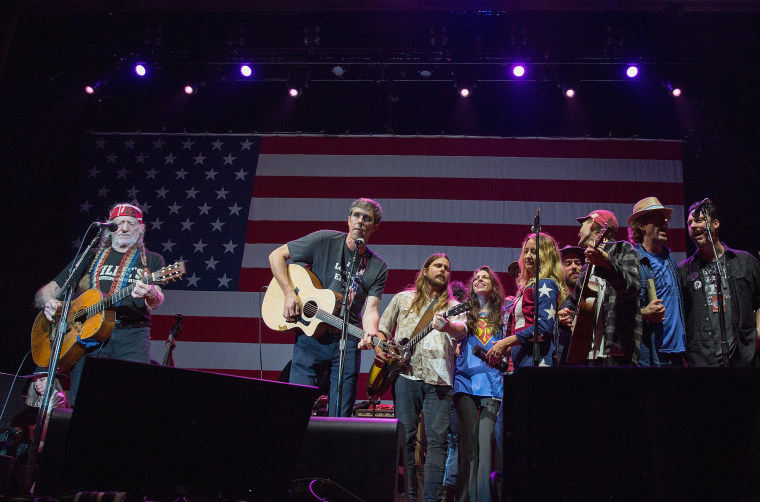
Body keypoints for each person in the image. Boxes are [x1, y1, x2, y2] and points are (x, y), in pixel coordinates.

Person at [359, 253, 466, 502]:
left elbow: (461, 330)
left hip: (439, 380)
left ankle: (430, 499)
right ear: (425, 270)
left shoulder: (452, 307)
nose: (443, 270)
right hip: (405, 375)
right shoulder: (402, 299)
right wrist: (380, 353)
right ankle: (408, 497)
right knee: (405, 439)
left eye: (447, 268)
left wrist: (448, 327)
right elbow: (382, 332)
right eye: (437, 266)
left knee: (438, 442)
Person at [34, 202, 166, 405]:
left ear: (141, 229)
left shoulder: (151, 260)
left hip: (131, 337)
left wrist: (149, 293)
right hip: (88, 336)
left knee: (133, 398)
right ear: (109, 228)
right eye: (119, 223)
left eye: (131, 223)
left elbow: (157, 299)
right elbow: (49, 290)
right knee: (85, 402)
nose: (124, 228)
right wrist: (49, 302)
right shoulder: (90, 257)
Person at [269, 198, 387, 417]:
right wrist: (288, 293)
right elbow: (276, 256)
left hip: (347, 340)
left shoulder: (378, 267)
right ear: (348, 219)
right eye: (356, 215)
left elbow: (370, 310)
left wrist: (370, 332)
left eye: (367, 218)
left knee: (340, 413)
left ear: (374, 226)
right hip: (310, 336)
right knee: (297, 404)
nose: (360, 221)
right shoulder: (325, 240)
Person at [678, 199, 760, 366]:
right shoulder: (684, 271)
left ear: (715, 224)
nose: (693, 226)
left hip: (743, 358)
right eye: (689, 223)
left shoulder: (745, 261)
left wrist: (758, 333)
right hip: (702, 361)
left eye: (699, 220)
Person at [557, 210, 642, 365]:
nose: (578, 231)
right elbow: (577, 305)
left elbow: (633, 289)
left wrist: (608, 264)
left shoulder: (623, 249)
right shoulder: (585, 268)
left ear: (592, 225)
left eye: (582, 225)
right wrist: (566, 314)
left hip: (618, 350)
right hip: (587, 354)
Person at [452, 266, 505, 502]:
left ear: (493, 285)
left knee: (486, 446)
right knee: (468, 448)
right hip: (465, 382)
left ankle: (482, 498)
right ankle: (466, 498)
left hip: (493, 385)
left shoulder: (504, 313)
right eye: (476, 278)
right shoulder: (465, 313)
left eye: (485, 277)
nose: (479, 280)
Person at [487, 232, 565, 368]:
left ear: (546, 256)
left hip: (538, 362)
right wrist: (505, 348)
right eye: (526, 251)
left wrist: (506, 342)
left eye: (534, 252)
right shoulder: (529, 288)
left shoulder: (545, 284)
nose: (528, 256)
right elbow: (526, 328)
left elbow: (542, 329)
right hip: (524, 362)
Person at [627, 197, 687, 367]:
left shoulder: (671, 260)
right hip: (652, 356)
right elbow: (617, 310)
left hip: (678, 354)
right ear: (641, 225)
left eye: (665, 219)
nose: (665, 222)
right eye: (658, 218)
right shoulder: (634, 262)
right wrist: (644, 312)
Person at [443, 280, 468, 499]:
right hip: (454, 384)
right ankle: (449, 489)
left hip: (451, 385)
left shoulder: (456, 321)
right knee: (456, 440)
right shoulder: (459, 327)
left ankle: (447, 488)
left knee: (451, 441)